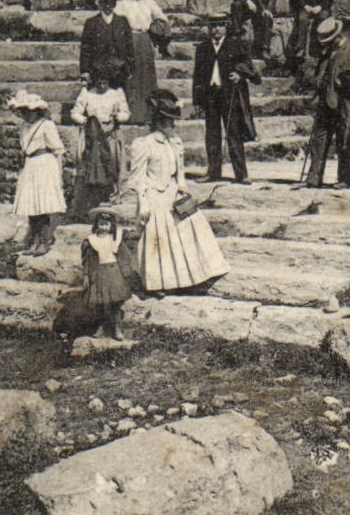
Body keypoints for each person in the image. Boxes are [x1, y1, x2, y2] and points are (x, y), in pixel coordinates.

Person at [123, 90, 230, 292]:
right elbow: (138, 178)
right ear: (157, 122)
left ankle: (197, 275)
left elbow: (180, 170)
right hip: (153, 195)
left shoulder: (175, 142)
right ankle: (158, 283)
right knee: (158, 238)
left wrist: (182, 187)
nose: (172, 125)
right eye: (168, 121)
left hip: (172, 193)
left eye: (172, 121)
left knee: (191, 227)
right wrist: (143, 203)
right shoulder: (143, 144)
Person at [303, 18, 350, 189]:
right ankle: (314, 178)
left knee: (344, 140)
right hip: (325, 101)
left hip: (345, 102)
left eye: (330, 40)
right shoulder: (327, 53)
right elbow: (319, 75)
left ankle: (344, 179)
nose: (327, 43)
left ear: (338, 36)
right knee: (319, 140)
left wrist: (347, 83)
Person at [192, 12, 260, 184]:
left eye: (220, 25)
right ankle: (213, 172)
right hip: (210, 95)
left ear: (226, 27)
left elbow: (249, 66)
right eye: (213, 26)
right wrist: (197, 100)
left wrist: (239, 74)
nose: (216, 29)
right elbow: (197, 75)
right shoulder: (203, 47)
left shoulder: (236, 45)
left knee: (234, 133)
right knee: (212, 134)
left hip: (230, 95)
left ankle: (241, 174)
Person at [69, 68, 130, 221]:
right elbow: (75, 113)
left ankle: (111, 198)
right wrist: (87, 121)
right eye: (99, 83)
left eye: (105, 83)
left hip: (110, 134)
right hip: (92, 134)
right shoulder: (87, 93)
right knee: (88, 164)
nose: (102, 86)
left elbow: (125, 113)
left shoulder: (116, 93)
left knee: (112, 163)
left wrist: (117, 118)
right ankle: (88, 203)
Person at [8, 90, 65, 254]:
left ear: (37, 111)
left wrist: (59, 174)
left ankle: (44, 241)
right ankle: (34, 241)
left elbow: (58, 150)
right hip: (30, 165)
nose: (25, 115)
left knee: (42, 205)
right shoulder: (24, 127)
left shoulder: (47, 125)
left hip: (44, 164)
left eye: (28, 111)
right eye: (22, 111)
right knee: (30, 204)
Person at [114, 0, 170, 122]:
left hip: (145, 39)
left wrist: (156, 28)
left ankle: (148, 114)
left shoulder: (149, 3)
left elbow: (163, 20)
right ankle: (130, 113)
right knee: (130, 75)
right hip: (128, 39)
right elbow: (114, 21)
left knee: (146, 75)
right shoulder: (122, 4)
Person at [81, 210, 135, 340]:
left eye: (106, 224)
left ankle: (117, 328)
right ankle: (101, 327)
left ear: (111, 225)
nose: (103, 227)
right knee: (99, 303)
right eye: (101, 224)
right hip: (98, 274)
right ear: (96, 225)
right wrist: (86, 275)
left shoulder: (115, 238)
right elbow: (87, 261)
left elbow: (126, 252)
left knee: (115, 303)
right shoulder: (91, 241)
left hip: (114, 273)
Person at [79, 0, 133, 89]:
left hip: (119, 69)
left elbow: (129, 46)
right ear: (100, 3)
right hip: (98, 70)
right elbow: (85, 49)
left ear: (115, 4)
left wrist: (130, 68)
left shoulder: (122, 22)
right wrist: (85, 71)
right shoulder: (92, 23)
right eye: (104, 3)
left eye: (111, 3)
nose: (108, 6)